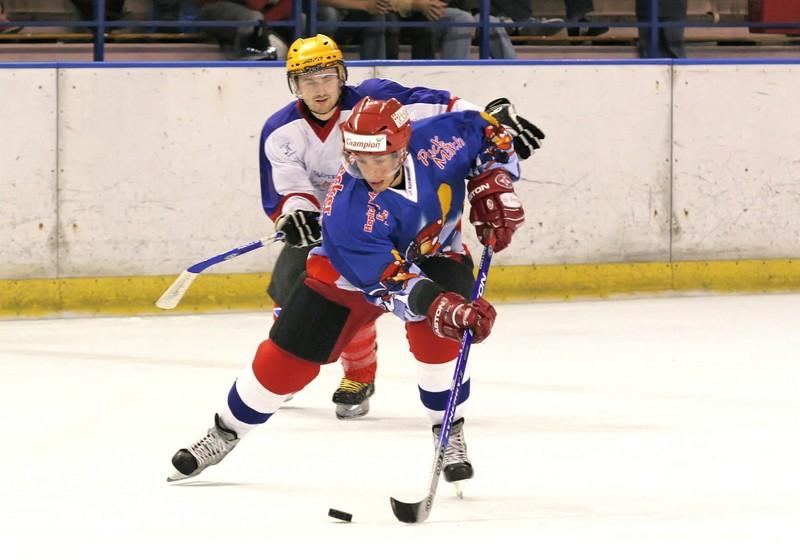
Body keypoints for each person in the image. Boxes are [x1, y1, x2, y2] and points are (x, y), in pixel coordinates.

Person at [167, 95, 544, 485]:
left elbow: (492, 138)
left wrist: (494, 183)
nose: (370, 171)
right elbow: (390, 283)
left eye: (379, 159)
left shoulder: (441, 137)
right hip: (352, 272)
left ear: (403, 148)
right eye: (359, 161)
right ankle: (226, 430)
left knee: (439, 342)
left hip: (436, 252)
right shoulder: (347, 211)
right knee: (287, 359)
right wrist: (443, 306)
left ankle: (447, 429)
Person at [259, 34, 484, 419]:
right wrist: (297, 214)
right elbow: (289, 189)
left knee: (425, 300)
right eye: (307, 81)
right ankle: (358, 374)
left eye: (327, 78)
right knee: (294, 292)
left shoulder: (376, 101)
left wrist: (489, 115)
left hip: (406, 223)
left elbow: (450, 110)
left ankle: (437, 382)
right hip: (338, 228)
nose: (319, 89)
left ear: (342, 75)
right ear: (293, 85)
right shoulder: (281, 131)